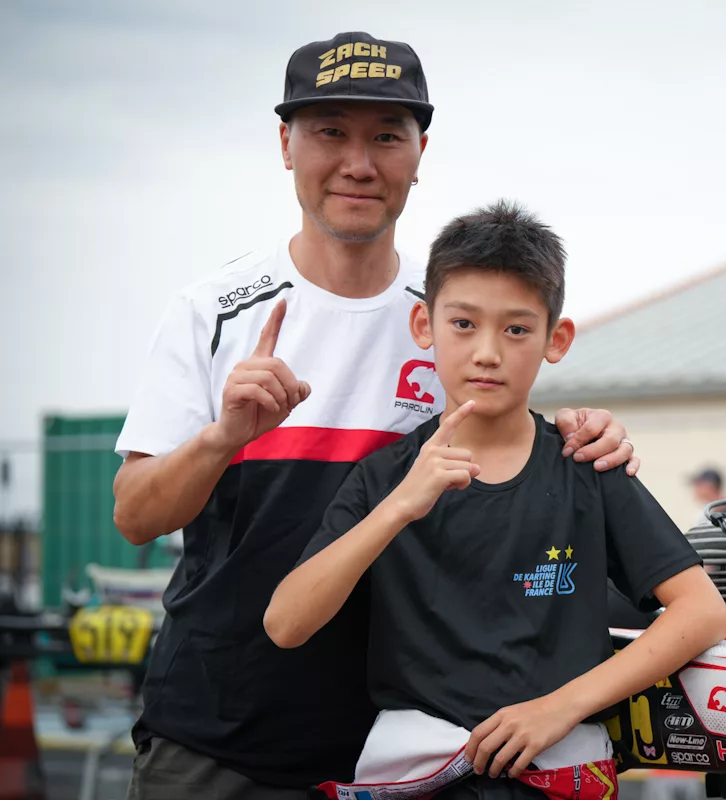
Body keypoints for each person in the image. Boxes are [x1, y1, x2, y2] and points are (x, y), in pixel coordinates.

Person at [111, 33, 639, 800]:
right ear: (285, 145)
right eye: (331, 132)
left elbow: (523, 451)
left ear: (420, 153)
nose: (359, 163)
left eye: (386, 137)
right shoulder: (211, 312)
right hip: (215, 735)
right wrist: (224, 438)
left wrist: (595, 434)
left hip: (402, 751)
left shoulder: (454, 321)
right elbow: (134, 516)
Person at [264, 200, 726, 799]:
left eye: (516, 329)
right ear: (423, 326)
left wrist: (559, 709)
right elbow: (285, 624)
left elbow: (701, 611)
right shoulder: (384, 479)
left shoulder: (587, 464)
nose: (487, 351)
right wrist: (401, 506)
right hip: (417, 774)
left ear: (555, 339)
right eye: (463, 323)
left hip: (562, 768)